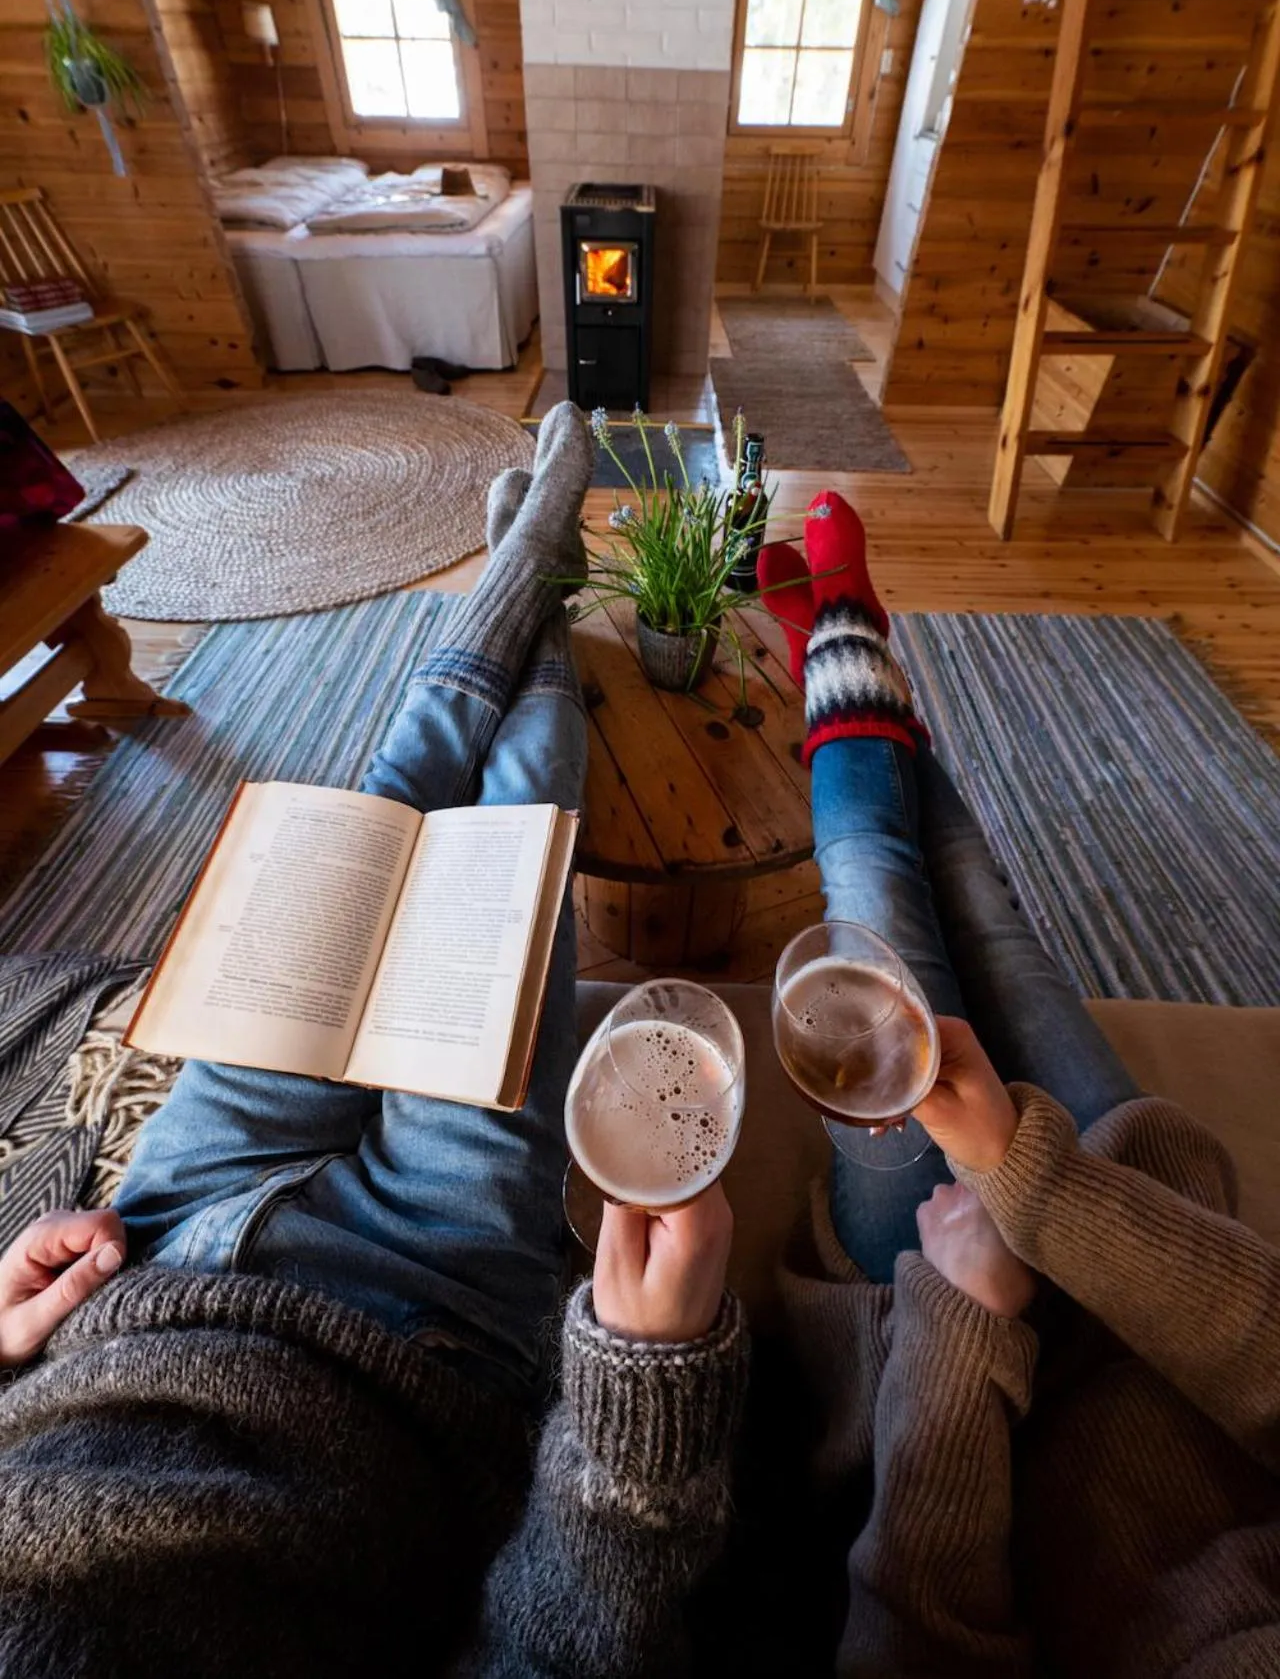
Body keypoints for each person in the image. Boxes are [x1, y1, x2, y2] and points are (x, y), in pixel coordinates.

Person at [0, 403, 749, 1679]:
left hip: (162, 1240)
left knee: (367, 817)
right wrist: (642, 1398)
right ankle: (541, 581)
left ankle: (529, 559)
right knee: (509, 845)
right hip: (425, 1317)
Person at [755, 491, 1280, 1677]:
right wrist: (1026, 1173)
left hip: (955, 1349)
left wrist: (961, 1320)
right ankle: (842, 646)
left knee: (873, 899)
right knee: (988, 908)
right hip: (1144, 1239)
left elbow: (909, 1629)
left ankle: (835, 646)